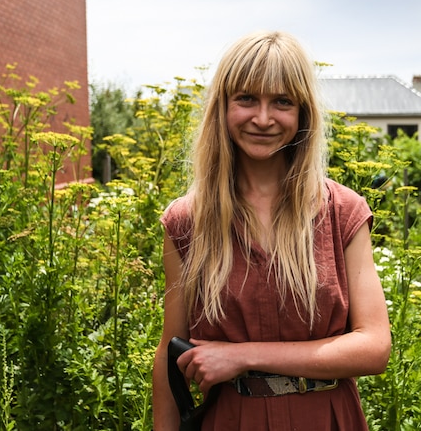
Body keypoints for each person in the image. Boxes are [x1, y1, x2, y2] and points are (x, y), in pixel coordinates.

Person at [152, 30, 391, 430]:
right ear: (223, 108)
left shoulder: (343, 212)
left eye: (281, 101)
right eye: (247, 99)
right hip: (230, 420)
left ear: (302, 113)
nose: (263, 118)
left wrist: (243, 355)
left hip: (326, 418)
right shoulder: (186, 222)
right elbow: (168, 354)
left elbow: (374, 347)